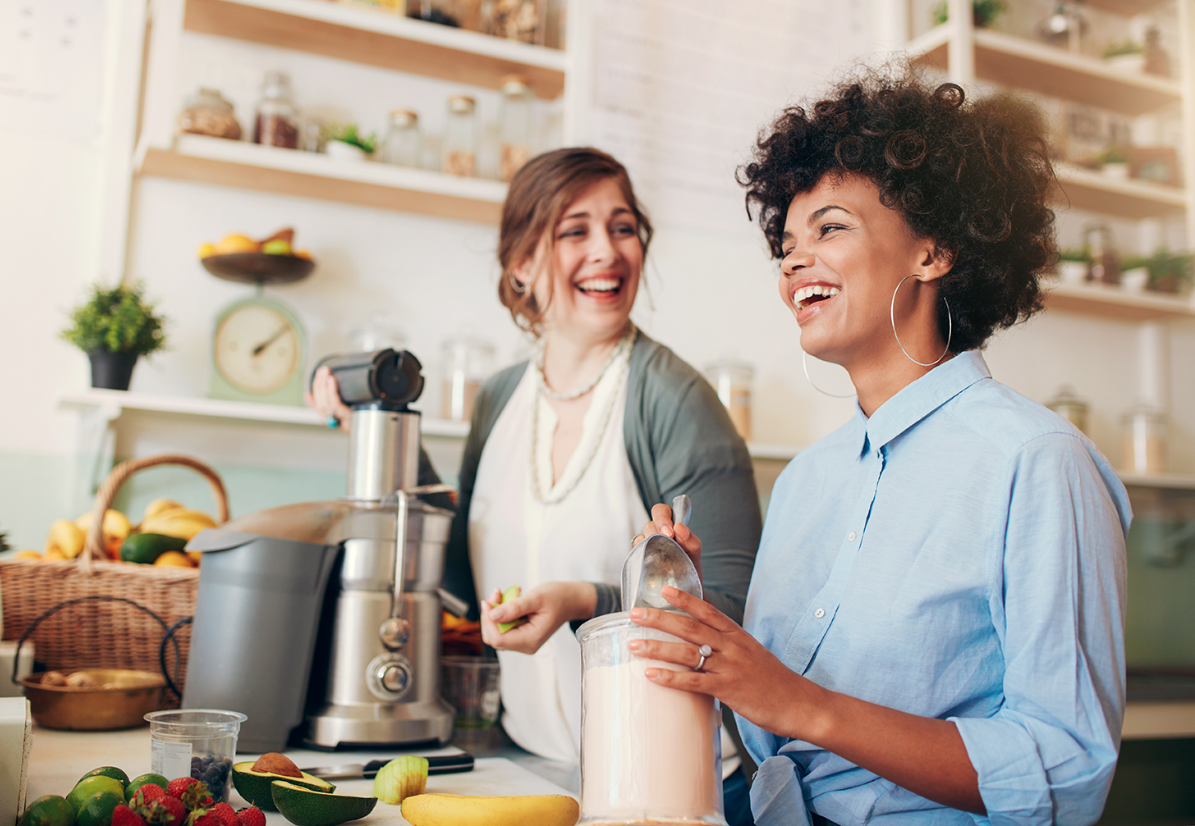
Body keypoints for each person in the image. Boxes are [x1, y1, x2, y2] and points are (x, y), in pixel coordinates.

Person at [625, 69, 1131, 826]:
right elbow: (768, 733)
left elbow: (1065, 768)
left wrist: (804, 705)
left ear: (934, 251)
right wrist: (692, 607)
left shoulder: (1038, 462)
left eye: (829, 228)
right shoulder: (804, 483)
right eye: (787, 245)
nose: (794, 262)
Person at [307, 147, 762, 823]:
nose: (606, 251)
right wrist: (374, 425)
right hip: (535, 766)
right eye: (574, 231)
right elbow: (463, 575)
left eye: (623, 227)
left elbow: (737, 610)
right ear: (521, 263)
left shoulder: (675, 401)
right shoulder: (500, 399)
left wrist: (587, 600)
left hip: (679, 786)